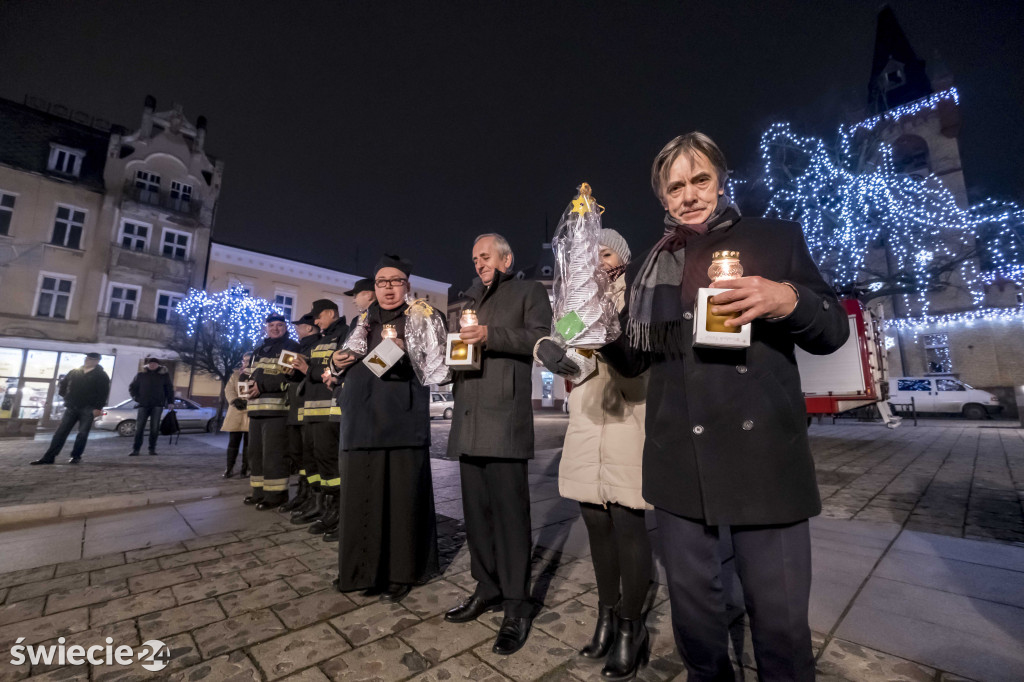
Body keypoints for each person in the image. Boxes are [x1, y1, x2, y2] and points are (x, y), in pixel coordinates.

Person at [599, 132, 849, 681]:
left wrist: (789, 299)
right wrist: (600, 332)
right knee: (697, 621)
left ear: (720, 179)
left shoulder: (774, 238)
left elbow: (832, 331)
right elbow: (637, 363)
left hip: (764, 456)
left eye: (699, 180)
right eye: (675, 187)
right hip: (678, 460)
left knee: (781, 625)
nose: (688, 195)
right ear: (662, 198)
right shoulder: (651, 265)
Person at [536, 229, 652, 680]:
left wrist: (608, 326)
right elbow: (557, 342)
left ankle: (631, 626)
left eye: (605, 253)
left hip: (629, 414)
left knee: (628, 520)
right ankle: (606, 614)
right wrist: (544, 348)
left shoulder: (637, 297)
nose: (598, 262)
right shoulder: (580, 303)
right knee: (595, 521)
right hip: (587, 419)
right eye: (592, 255)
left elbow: (643, 352)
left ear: (621, 259)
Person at [444, 233, 552, 656]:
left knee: (510, 519)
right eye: (474, 258)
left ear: (506, 258)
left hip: (504, 419)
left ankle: (517, 606)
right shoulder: (470, 299)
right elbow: (461, 353)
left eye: (485, 256)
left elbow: (541, 340)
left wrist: (491, 335)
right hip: (467, 418)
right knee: (476, 516)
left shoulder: (528, 291)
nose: (478, 263)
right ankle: (486, 588)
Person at [329, 255, 439, 602]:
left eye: (395, 281)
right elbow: (344, 361)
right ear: (374, 288)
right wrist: (336, 361)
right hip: (361, 420)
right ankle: (362, 570)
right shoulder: (362, 321)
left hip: (401, 421)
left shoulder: (421, 317)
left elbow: (437, 366)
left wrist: (407, 349)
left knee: (400, 501)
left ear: (407, 285)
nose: (388, 288)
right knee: (363, 499)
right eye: (381, 282)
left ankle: (399, 573)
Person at [288, 299, 348, 540]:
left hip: (329, 411)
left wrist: (307, 370)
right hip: (311, 412)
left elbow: (333, 369)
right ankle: (320, 504)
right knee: (313, 461)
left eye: (318, 316)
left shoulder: (343, 334)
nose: (314, 320)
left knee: (330, 462)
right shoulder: (323, 338)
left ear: (331, 313)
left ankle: (338, 511)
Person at [244, 313, 301, 510]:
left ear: (285, 327)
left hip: (277, 410)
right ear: (265, 328)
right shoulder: (259, 350)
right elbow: (250, 374)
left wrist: (262, 386)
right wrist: (245, 387)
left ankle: (276, 495)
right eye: (271, 325)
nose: (275, 328)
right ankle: (258, 492)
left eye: (279, 325)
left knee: (274, 455)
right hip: (256, 410)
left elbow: (286, 376)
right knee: (256, 454)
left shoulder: (290, 347)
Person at [30, 353, 110, 465]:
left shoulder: (101, 375)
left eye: (91, 359)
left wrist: (98, 408)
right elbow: (63, 385)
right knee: (60, 432)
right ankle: (49, 457)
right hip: (71, 407)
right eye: (87, 358)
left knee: (82, 434)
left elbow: (103, 393)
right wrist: (67, 396)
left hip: (88, 408)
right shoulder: (74, 372)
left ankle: (76, 456)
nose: (87, 360)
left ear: (97, 361)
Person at [280, 314, 321, 514]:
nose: (296, 328)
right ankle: (303, 494)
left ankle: (313, 497)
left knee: (309, 455)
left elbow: (315, 374)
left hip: (308, 408)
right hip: (295, 408)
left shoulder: (318, 346)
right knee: (298, 454)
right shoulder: (299, 347)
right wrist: (289, 372)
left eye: (300, 326)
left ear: (311, 328)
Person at [127, 357, 174, 456]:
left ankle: (152, 449)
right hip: (143, 404)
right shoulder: (141, 375)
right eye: (151, 363)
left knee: (154, 428)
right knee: (139, 428)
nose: (152, 365)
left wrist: (170, 402)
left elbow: (169, 389)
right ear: (147, 365)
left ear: (158, 365)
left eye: (155, 363)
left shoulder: (164, 376)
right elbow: (132, 387)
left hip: (157, 404)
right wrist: (136, 398)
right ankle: (136, 449)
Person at [222, 353, 252, 478]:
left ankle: (245, 469)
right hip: (236, 412)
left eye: (248, 361)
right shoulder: (235, 375)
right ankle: (229, 468)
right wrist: (234, 400)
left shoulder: (256, 375)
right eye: (244, 361)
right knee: (233, 442)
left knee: (248, 444)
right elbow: (228, 390)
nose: (245, 363)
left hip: (250, 412)